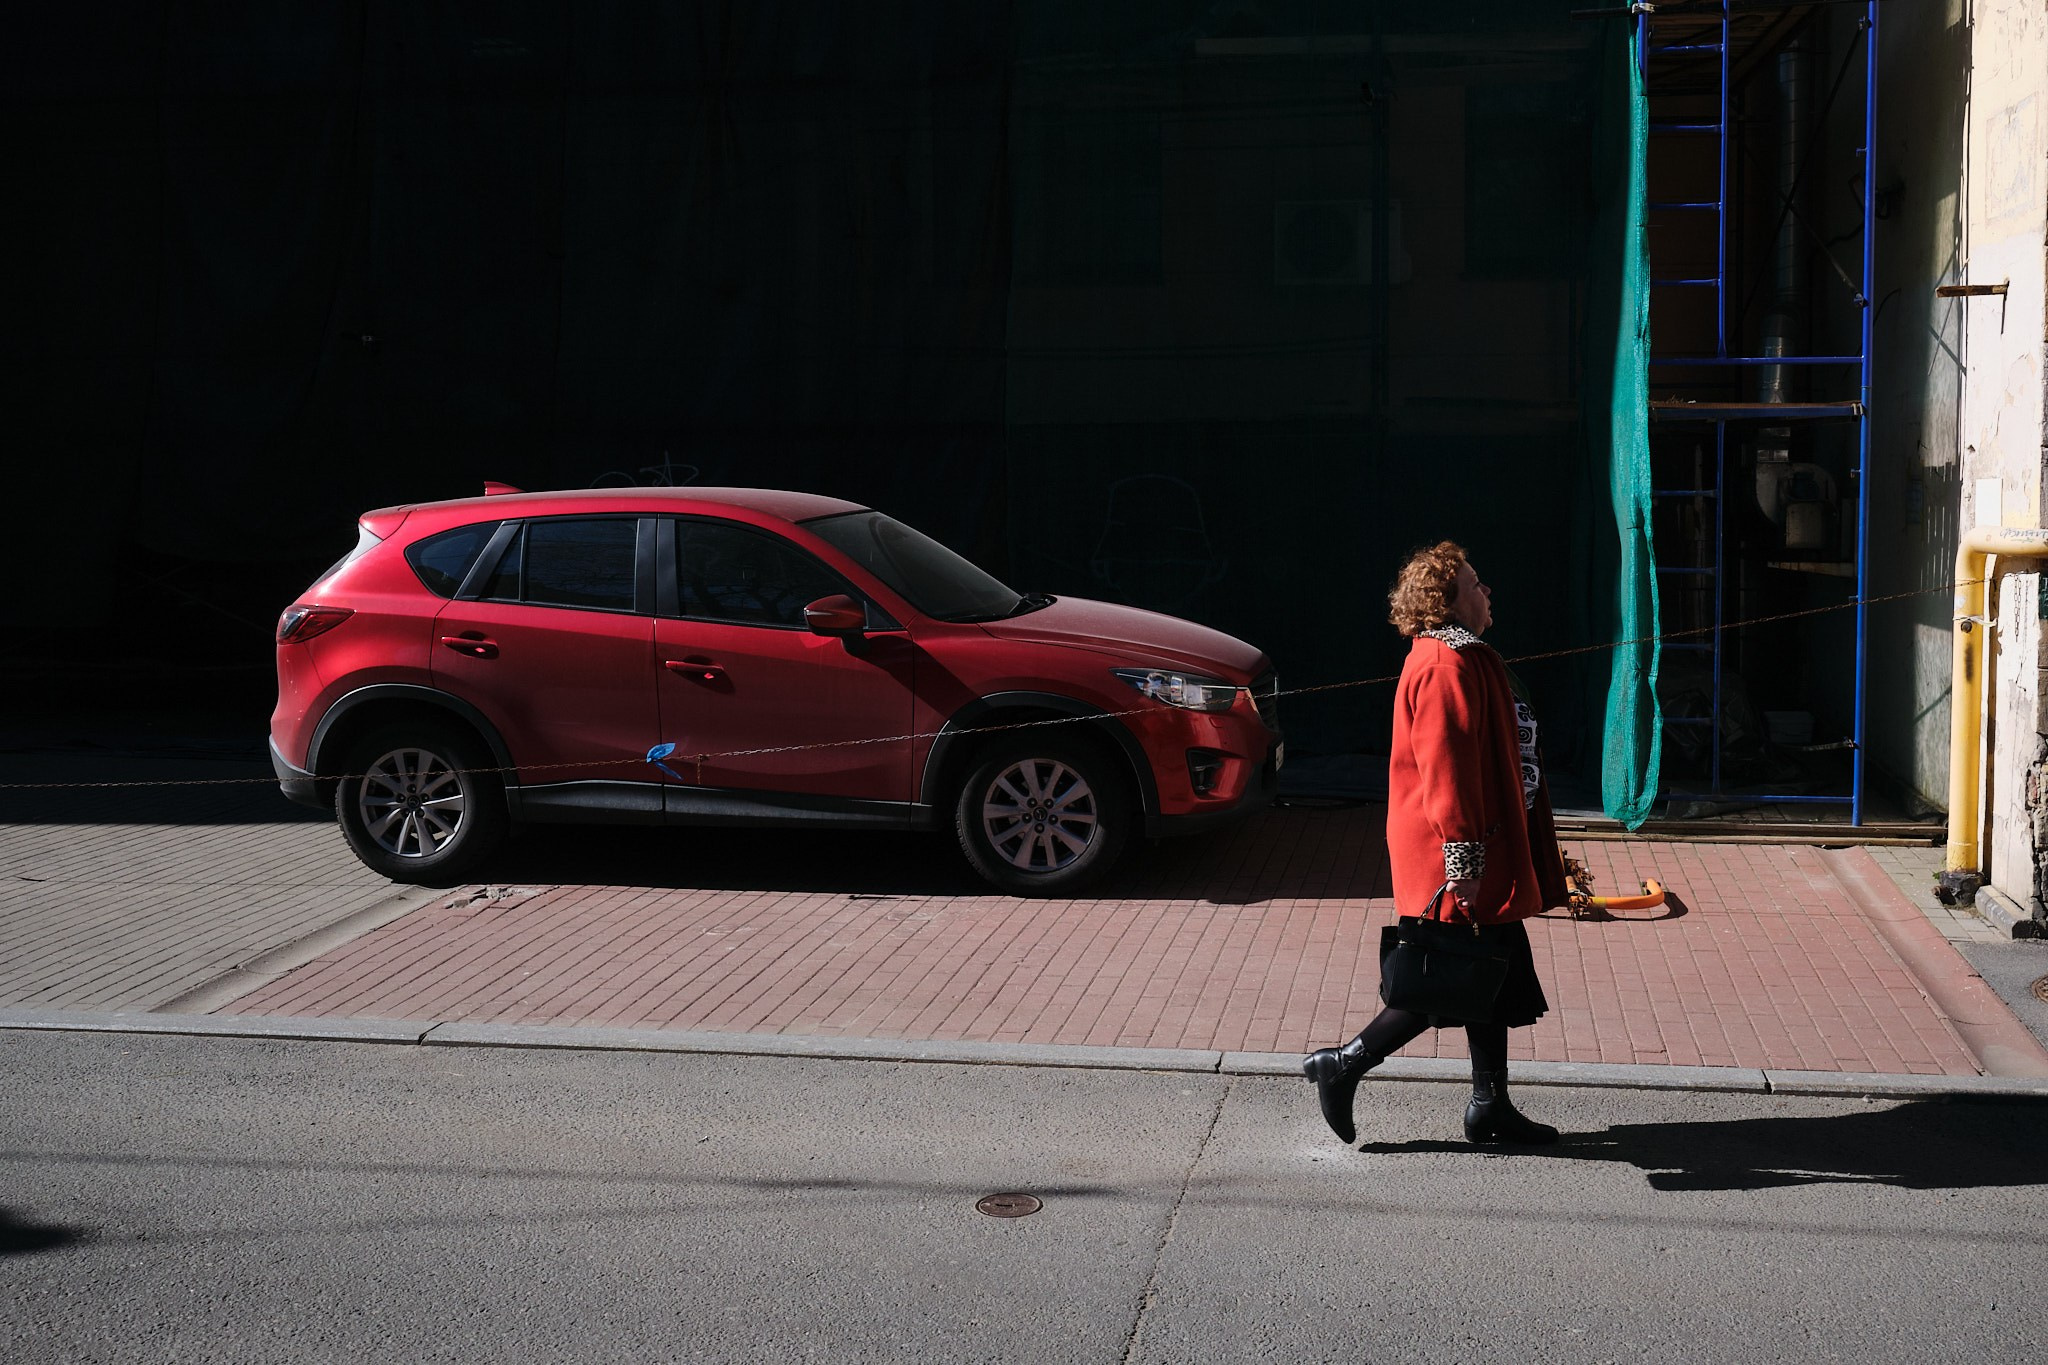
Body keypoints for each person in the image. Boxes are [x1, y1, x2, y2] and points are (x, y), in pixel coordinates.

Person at [1303, 541, 1570, 1146]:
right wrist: (1465, 863)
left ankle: (1489, 1106)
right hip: (1455, 850)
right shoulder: (1446, 663)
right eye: (1477, 584)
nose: (1488, 592)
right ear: (1447, 600)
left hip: (1478, 843)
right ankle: (1341, 1064)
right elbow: (1447, 771)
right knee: (1445, 975)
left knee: (1487, 972)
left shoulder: (1462, 656)